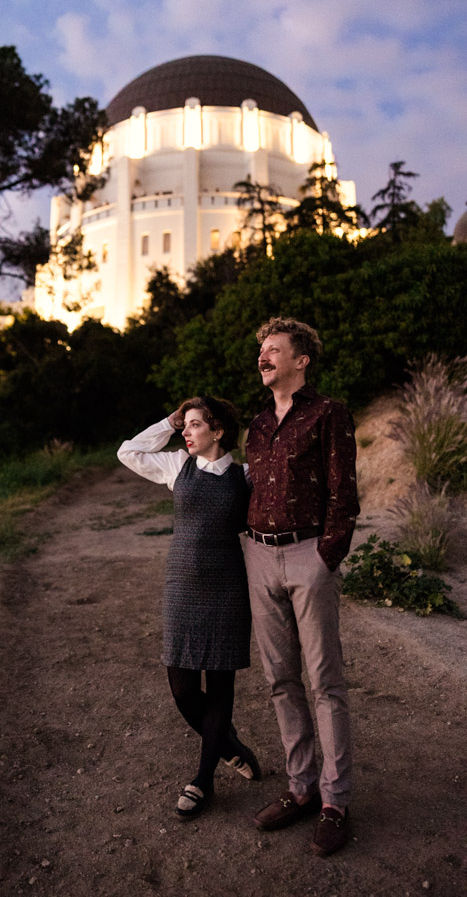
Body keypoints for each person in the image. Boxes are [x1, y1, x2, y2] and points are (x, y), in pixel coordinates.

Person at [243, 317, 359, 857]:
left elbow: (344, 491)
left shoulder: (328, 414)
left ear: (301, 359)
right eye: (261, 350)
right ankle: (301, 788)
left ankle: (335, 802)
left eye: (273, 349)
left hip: (307, 555)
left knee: (324, 682)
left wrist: (325, 556)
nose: (263, 357)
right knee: (280, 680)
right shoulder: (259, 424)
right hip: (259, 557)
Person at [117, 395, 261, 819]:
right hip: (182, 588)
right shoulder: (176, 465)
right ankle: (230, 746)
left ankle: (203, 779)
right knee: (182, 688)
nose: (187, 432)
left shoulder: (246, 476)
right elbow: (129, 451)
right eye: (186, 426)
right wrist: (170, 419)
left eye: (195, 425)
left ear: (218, 431)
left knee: (219, 687)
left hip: (227, 589)